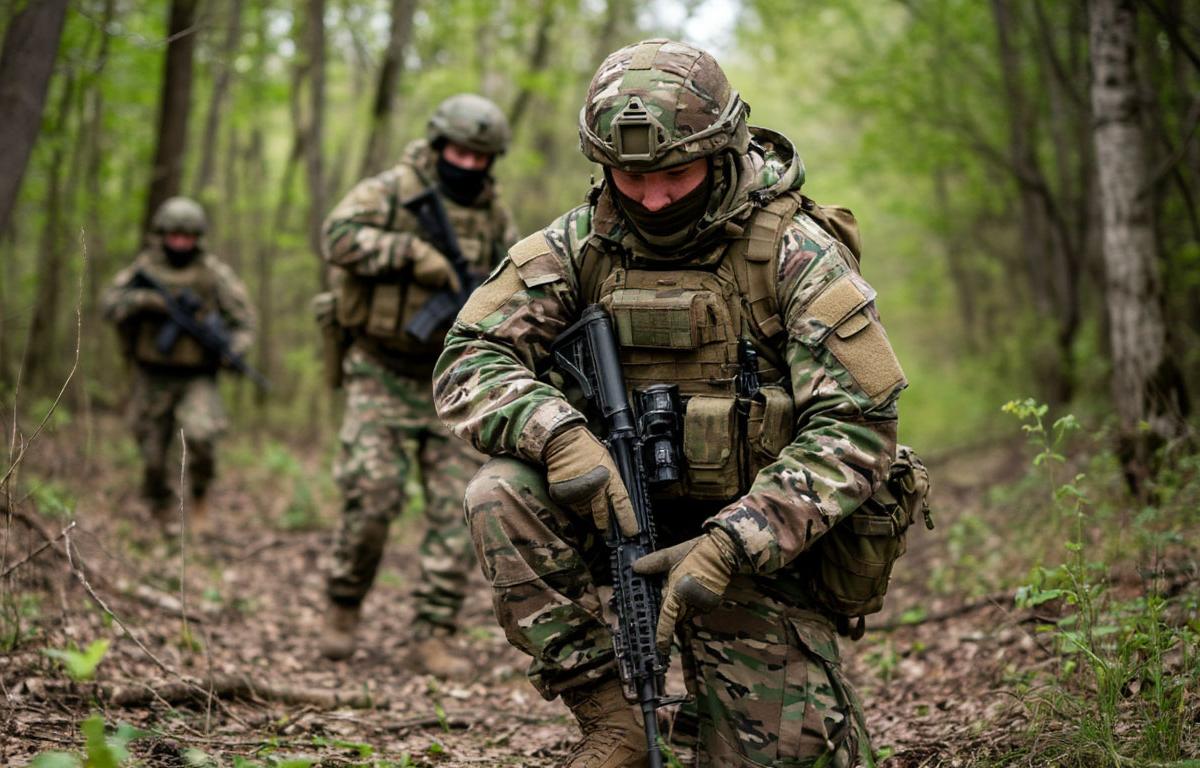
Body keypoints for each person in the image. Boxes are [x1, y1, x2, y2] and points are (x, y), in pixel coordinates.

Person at [434, 39, 909, 767]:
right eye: (629, 176)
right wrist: (558, 435)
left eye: (675, 175)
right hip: (617, 522)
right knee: (500, 491)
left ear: (721, 151)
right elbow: (469, 355)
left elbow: (858, 427)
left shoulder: (794, 252)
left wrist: (734, 542)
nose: (652, 198)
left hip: (760, 557)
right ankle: (611, 716)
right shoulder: (576, 245)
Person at [317, 93, 519, 674]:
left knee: (456, 511)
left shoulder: (493, 214)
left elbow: (511, 279)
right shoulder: (390, 191)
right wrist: (408, 253)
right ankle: (344, 602)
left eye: (481, 158)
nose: (469, 165)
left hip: (450, 379)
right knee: (372, 497)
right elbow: (336, 236)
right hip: (379, 370)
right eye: (459, 152)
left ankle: (434, 632)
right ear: (437, 146)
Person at [103, 196, 257, 534]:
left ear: (198, 238)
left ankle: (199, 495)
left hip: (198, 376)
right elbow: (110, 304)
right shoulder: (143, 270)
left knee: (201, 437)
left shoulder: (214, 274)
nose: (180, 242)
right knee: (152, 455)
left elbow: (245, 323)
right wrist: (147, 302)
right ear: (162, 235)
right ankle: (159, 510)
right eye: (174, 235)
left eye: (187, 236)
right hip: (151, 373)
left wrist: (233, 349)